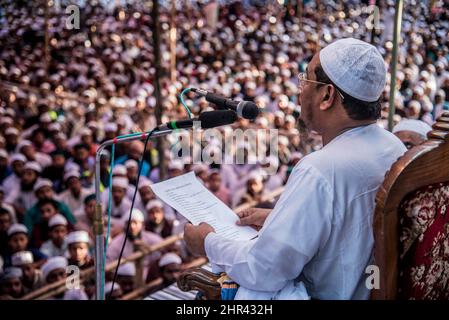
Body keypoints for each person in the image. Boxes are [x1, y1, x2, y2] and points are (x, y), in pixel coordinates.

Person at [184, 38, 407, 300]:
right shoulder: (393, 146)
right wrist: (279, 220)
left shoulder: (320, 170)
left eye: (306, 80)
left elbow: (264, 270)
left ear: (327, 96)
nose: (300, 90)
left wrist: (208, 242)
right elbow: (351, 227)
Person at [107, 209, 162, 280]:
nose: (132, 226)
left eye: (135, 223)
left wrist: (149, 249)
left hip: (149, 277)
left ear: (142, 225)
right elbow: (109, 264)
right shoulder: (116, 243)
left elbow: (164, 252)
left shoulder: (152, 238)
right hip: (126, 278)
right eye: (129, 223)